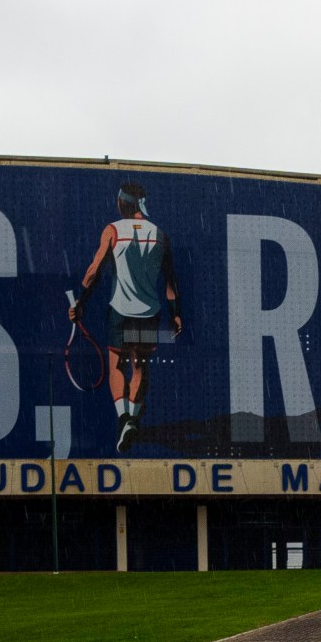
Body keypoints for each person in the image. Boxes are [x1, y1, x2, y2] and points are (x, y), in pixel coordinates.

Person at [72, 182, 182, 452]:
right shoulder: (160, 235)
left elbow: (93, 271)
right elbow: (170, 282)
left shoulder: (113, 231)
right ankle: (133, 418)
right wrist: (176, 315)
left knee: (117, 366)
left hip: (120, 311)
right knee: (140, 367)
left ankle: (123, 420)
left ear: (123, 203)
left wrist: (80, 302)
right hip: (150, 313)